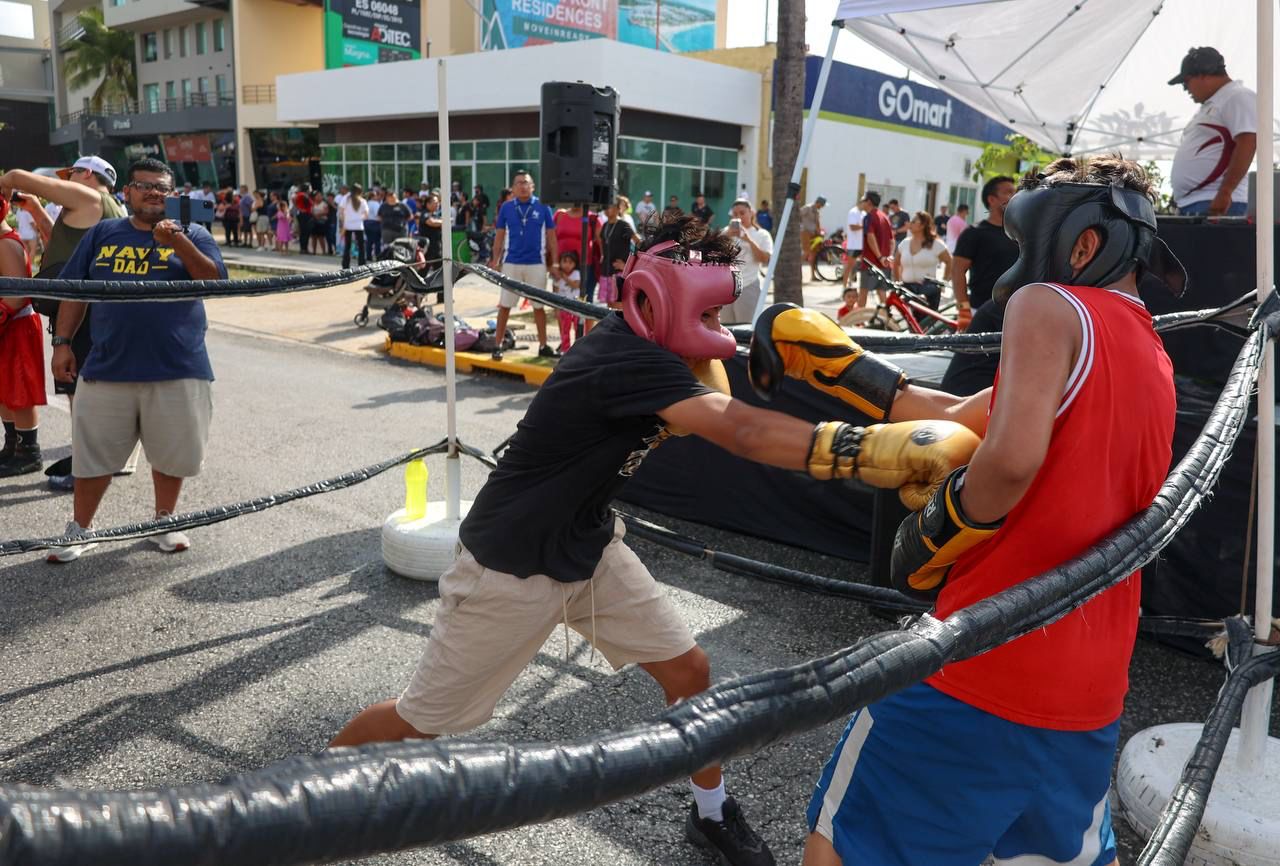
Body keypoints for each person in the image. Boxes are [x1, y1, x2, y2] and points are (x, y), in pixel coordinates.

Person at [329, 211, 982, 866]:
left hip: (588, 546)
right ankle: (303, 805)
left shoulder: (660, 349)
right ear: (663, 297)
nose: (718, 328)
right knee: (420, 721)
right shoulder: (624, 358)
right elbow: (742, 431)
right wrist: (868, 449)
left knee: (690, 671)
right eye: (709, 312)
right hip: (511, 565)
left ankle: (710, 811)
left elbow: (718, 402)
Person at [760, 155, 1184, 866]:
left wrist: (935, 532)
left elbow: (1010, 459)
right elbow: (959, 415)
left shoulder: (1048, 306)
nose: (1019, 265)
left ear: (1082, 244)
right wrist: (838, 362)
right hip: (1088, 693)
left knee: (839, 850)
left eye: (1029, 242)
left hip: (976, 668)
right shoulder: (1149, 352)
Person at [46, 157, 227, 563]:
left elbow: (215, 282)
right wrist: (62, 343)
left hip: (178, 366)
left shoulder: (194, 233)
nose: (152, 193)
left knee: (171, 453)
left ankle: (164, 520)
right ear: (126, 192)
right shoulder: (102, 233)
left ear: (173, 195)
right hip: (107, 365)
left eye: (161, 187)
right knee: (92, 456)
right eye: (143, 185)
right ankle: (80, 529)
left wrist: (178, 242)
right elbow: (75, 291)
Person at [0, 155, 127, 488]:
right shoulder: (103, 208)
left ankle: (89, 465)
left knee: (81, 390)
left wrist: (8, 181)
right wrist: (35, 209)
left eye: (70, 174)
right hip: (91, 307)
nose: (65, 180)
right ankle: (98, 458)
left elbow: (19, 174)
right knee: (85, 387)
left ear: (86, 174)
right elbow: (60, 245)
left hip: (83, 312)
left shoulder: (91, 197)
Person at [1168, 46, 1257, 216]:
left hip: (1218, 201)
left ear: (1203, 75)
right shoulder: (1216, 102)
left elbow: (1249, 141)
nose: (1185, 89)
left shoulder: (1237, 96)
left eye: (1186, 82)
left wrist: (1225, 192)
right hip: (1200, 202)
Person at [488, 171, 558, 360]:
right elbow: (499, 236)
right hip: (512, 263)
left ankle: (543, 345)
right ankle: (497, 345)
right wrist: (495, 260)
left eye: (526, 182)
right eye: (518, 183)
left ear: (532, 186)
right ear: (513, 188)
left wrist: (555, 262)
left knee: (538, 306)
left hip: (537, 263)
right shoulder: (506, 207)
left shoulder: (543, 206)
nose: (522, 186)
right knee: (505, 305)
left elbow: (551, 237)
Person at [0, 193, 43, 477]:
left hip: (16, 324)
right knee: (5, 389)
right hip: (7, 323)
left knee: (20, 391)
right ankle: (12, 444)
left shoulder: (6, 243)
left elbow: (16, 296)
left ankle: (29, 451)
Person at [951, 175, 1017, 329]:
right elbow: (957, 272)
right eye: (1008, 192)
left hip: (1016, 311)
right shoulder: (973, 233)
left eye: (1014, 192)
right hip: (981, 312)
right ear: (991, 199)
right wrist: (963, 310)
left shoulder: (1021, 233)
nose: (1014, 197)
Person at [720, 198, 774, 324]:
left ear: (751, 213)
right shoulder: (725, 232)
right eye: (735, 214)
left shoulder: (762, 234)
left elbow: (765, 259)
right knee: (726, 328)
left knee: (746, 327)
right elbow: (713, 256)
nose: (739, 217)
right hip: (726, 287)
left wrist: (748, 240)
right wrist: (725, 237)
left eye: (742, 213)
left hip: (748, 285)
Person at [893, 210, 952, 310]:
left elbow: (949, 261)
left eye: (913, 221)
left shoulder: (935, 244)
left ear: (923, 225)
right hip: (907, 289)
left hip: (928, 290)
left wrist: (944, 281)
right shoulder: (905, 243)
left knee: (925, 320)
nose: (910, 224)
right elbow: (896, 263)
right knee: (908, 319)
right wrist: (897, 281)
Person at [555, 203, 603, 306]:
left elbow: (602, 242)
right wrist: (553, 263)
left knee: (585, 299)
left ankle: (584, 317)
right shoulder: (560, 215)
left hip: (585, 266)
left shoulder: (592, 218)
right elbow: (551, 238)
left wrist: (603, 260)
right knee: (560, 298)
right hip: (562, 265)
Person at [856, 192, 893, 309]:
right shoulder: (885, 217)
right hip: (884, 263)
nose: (861, 203)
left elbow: (870, 237)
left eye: (863, 200)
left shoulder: (868, 217)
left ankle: (859, 319)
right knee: (882, 292)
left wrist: (879, 257)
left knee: (863, 294)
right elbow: (892, 240)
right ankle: (886, 317)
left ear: (868, 202)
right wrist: (888, 257)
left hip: (870, 264)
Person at [599, 198, 636, 311]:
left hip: (619, 272)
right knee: (609, 306)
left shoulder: (624, 225)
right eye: (605, 207)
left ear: (617, 209)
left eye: (609, 206)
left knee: (619, 305)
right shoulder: (605, 225)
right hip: (607, 270)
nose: (606, 209)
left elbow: (639, 243)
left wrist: (627, 266)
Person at [552, 250, 581, 354]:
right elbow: (555, 292)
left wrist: (564, 276)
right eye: (565, 262)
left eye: (570, 262)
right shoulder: (557, 277)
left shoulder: (576, 274)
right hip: (564, 308)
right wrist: (556, 309)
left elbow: (576, 285)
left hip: (576, 306)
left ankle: (578, 348)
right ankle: (565, 349)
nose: (567, 265)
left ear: (575, 264)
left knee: (578, 328)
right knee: (565, 329)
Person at [340, 184, 369, 269]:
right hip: (359, 225)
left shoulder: (346, 198)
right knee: (361, 246)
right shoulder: (363, 201)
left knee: (347, 246)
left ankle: (345, 265)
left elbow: (341, 211)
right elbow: (366, 215)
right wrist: (359, 218)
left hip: (347, 225)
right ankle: (362, 264)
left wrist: (344, 222)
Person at [798, 196, 826, 282]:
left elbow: (817, 223)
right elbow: (798, 215)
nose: (822, 207)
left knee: (814, 254)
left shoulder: (817, 211)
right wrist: (801, 225)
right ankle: (796, 271)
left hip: (813, 233)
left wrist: (820, 232)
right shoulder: (807, 208)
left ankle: (813, 276)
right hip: (805, 231)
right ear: (819, 203)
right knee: (806, 252)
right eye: (822, 205)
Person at [842, 199, 863, 292]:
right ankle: (844, 287)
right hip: (854, 244)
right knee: (849, 265)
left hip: (862, 244)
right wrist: (863, 226)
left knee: (858, 266)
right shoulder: (853, 212)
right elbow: (853, 227)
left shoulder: (863, 213)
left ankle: (850, 282)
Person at [293, 183, 314, 253]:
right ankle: (304, 248)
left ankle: (304, 248)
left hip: (303, 213)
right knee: (305, 232)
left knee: (304, 232)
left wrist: (298, 207)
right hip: (305, 214)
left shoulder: (300, 194)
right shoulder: (303, 195)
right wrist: (300, 208)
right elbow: (311, 203)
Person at [364, 189, 383, 260]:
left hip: (366, 223)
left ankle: (368, 256)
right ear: (373, 196)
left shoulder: (366, 203)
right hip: (374, 223)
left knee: (369, 241)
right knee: (377, 241)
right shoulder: (375, 204)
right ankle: (378, 256)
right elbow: (377, 215)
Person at [310, 191, 330, 255]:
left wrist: (318, 214)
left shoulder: (324, 204)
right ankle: (314, 251)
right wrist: (315, 215)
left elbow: (326, 212)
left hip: (322, 221)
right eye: (317, 196)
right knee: (314, 237)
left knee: (321, 237)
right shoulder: (313, 203)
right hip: (314, 221)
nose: (319, 197)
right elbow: (311, 211)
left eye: (320, 196)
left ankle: (323, 251)